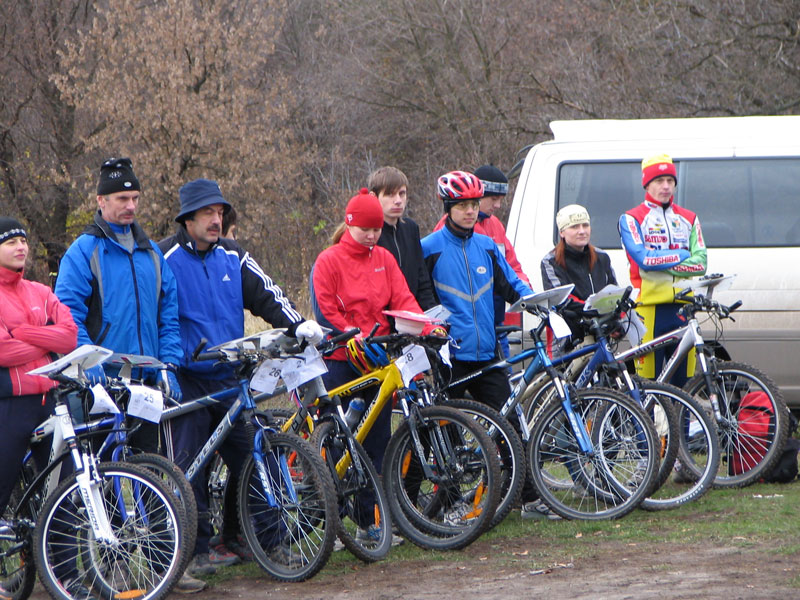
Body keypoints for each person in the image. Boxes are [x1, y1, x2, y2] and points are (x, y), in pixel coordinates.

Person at [159, 178, 323, 578]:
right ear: (187, 219)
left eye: (220, 213)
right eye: (207, 214)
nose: (216, 221)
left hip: (230, 378)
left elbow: (267, 294)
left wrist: (297, 325)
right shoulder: (163, 258)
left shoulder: (233, 255)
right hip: (186, 380)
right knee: (188, 467)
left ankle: (269, 541)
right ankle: (192, 552)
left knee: (257, 452)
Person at [53, 158, 199, 593]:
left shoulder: (152, 253)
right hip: (98, 386)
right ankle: (85, 570)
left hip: (145, 384)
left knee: (151, 475)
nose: (130, 206)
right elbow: (68, 314)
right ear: (101, 201)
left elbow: (168, 314)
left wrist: (167, 364)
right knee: (94, 479)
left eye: (135, 198)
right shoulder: (84, 251)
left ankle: (162, 567)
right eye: (121, 198)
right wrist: (91, 365)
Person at [422, 171, 559, 521]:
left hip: (487, 353)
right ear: (448, 207)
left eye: (473, 204)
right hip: (451, 356)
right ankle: (446, 505)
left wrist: (539, 303)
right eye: (462, 206)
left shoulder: (487, 246)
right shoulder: (429, 249)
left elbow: (513, 285)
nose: (470, 211)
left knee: (509, 425)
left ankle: (528, 497)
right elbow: (419, 299)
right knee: (444, 433)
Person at [312, 188, 421, 474]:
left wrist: (425, 326)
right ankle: (330, 490)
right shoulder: (328, 260)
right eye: (366, 230)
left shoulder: (384, 258)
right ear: (349, 224)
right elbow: (325, 310)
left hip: (375, 359)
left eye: (377, 229)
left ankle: (373, 500)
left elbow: (403, 299)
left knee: (378, 438)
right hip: (340, 359)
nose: (372, 235)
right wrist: (351, 333)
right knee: (338, 434)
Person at [0, 218, 79, 598]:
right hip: (10, 404)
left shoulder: (40, 291)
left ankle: (67, 575)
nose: (21, 247)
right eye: (10, 242)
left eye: (23, 240)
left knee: (62, 490)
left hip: (50, 402)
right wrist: (47, 341)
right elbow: (2, 351)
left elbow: (69, 336)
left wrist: (23, 334)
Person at [618, 154, 707, 387]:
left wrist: (662, 261)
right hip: (648, 310)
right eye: (659, 181)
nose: (666, 186)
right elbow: (644, 260)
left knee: (684, 386)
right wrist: (682, 255)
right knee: (647, 386)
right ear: (647, 185)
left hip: (683, 308)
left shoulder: (689, 218)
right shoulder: (631, 218)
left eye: (670, 180)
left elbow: (701, 263)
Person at [433, 164, 531, 357]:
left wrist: (530, 294)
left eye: (501, 200)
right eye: (494, 199)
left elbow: (511, 267)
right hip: (458, 334)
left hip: (492, 323)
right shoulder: (438, 239)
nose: (498, 205)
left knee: (504, 373)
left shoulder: (494, 226)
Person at [541, 204, 617, 348]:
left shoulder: (602, 257)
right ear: (562, 232)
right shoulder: (550, 261)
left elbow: (614, 291)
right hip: (568, 339)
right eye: (574, 227)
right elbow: (561, 299)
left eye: (585, 225)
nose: (582, 231)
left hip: (600, 332)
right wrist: (594, 309)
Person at [369, 166, 437, 310]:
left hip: (411, 314)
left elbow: (422, 280)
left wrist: (431, 314)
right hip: (381, 317)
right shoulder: (369, 235)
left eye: (402, 194)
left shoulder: (410, 229)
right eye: (389, 194)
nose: (398, 200)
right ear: (373, 197)